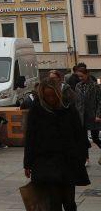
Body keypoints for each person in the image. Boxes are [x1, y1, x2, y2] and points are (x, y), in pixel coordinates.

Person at [23, 79, 89, 211]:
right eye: (47, 96)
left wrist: (81, 156)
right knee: (53, 202)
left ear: (58, 94)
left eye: (53, 95)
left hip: (67, 160)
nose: (51, 99)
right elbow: (30, 138)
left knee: (69, 201)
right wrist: (28, 163)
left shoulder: (68, 108)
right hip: (45, 161)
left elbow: (79, 134)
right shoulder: (36, 110)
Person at [72, 65, 101, 156]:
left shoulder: (95, 86)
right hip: (81, 116)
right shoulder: (78, 86)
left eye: (82, 76)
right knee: (83, 139)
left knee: (95, 138)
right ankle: (86, 158)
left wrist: (98, 115)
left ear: (87, 74)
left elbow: (99, 101)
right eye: (78, 76)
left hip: (93, 115)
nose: (80, 78)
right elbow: (77, 101)